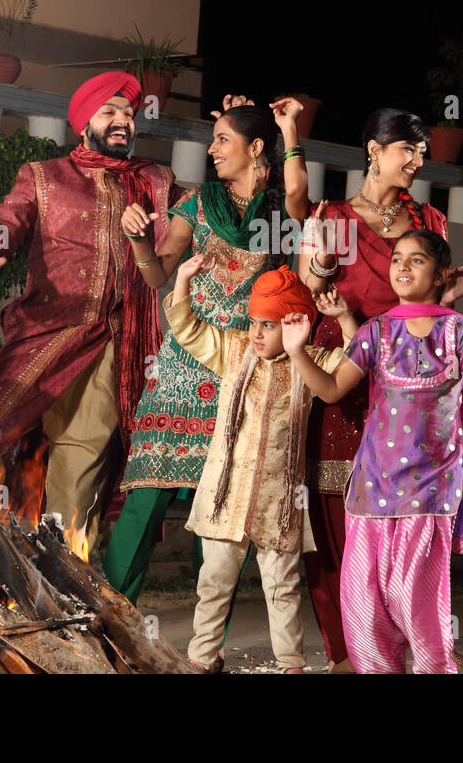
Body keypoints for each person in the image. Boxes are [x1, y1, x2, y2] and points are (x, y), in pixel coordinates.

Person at [0, 71, 175, 551]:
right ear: (83, 124)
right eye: (108, 112)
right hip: (41, 339)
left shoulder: (154, 181)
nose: (122, 120)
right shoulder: (45, 177)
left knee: (82, 461)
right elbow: (5, 221)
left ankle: (66, 576)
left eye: (127, 112)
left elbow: (193, 229)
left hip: (110, 344)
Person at [103, 98, 311, 603]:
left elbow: (300, 193)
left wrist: (290, 130)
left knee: (218, 504)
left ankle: (205, 642)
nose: (211, 149)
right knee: (145, 497)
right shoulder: (195, 205)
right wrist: (138, 241)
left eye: (222, 139)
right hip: (181, 368)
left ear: (255, 148)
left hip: (241, 371)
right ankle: (107, 616)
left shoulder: (279, 215)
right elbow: (156, 274)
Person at [296, 108, 463, 672]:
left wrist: (451, 305)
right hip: (345, 364)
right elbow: (308, 285)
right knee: (335, 508)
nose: (418, 161)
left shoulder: (429, 218)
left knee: (412, 524)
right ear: (374, 150)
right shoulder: (330, 215)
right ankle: (344, 652)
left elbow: (434, 306)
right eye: (408, 149)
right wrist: (323, 264)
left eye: (422, 152)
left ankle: (415, 648)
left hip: (408, 387)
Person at [286, 230, 463, 673]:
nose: (403, 268)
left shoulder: (457, 331)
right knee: (364, 610)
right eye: (397, 259)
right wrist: (297, 351)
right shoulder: (377, 330)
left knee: (420, 607)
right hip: (371, 493)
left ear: (440, 274)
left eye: (416, 260)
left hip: (429, 495)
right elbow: (333, 389)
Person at [166, 256, 357, 672]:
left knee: (283, 588)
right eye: (253, 321)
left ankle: (291, 663)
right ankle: (201, 658)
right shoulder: (234, 350)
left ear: (295, 325)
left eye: (268, 324)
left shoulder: (310, 362)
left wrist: (343, 318)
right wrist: (182, 278)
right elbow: (188, 329)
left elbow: (352, 364)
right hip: (226, 496)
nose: (255, 332)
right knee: (213, 584)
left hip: (280, 502)